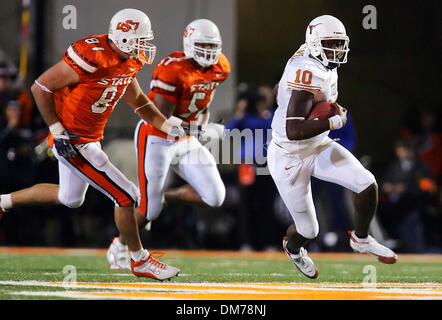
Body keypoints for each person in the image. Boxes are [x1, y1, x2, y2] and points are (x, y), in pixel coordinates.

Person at [0, 8, 187, 280]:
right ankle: (139, 259)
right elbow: (40, 87)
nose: (144, 46)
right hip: (74, 140)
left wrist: (168, 126)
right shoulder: (92, 56)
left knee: (69, 198)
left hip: (89, 138)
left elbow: (139, 102)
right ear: (123, 39)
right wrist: (57, 129)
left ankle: (3, 201)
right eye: (140, 40)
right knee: (127, 195)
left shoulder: (127, 61)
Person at [267, 15, 397, 279]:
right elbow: (293, 131)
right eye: (330, 44)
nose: (336, 50)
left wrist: (289, 99)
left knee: (367, 184)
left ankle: (360, 238)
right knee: (308, 230)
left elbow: (278, 90)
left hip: (317, 145)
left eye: (339, 44)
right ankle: (293, 250)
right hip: (288, 154)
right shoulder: (307, 71)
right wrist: (333, 121)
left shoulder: (316, 59)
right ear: (314, 44)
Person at [107, 18, 230, 269]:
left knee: (216, 196)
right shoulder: (173, 68)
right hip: (157, 135)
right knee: (150, 211)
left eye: (212, 45)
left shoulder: (221, 66)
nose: (208, 52)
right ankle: (121, 244)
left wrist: (203, 121)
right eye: (202, 45)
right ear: (189, 43)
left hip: (185, 137)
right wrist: (199, 129)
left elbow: (204, 99)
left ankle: (158, 195)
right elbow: (160, 118)